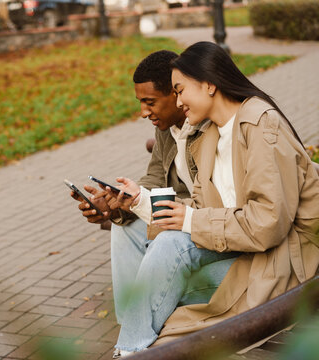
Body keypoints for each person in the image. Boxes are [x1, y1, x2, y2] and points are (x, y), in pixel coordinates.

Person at [105, 41, 319, 356]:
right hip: (241, 252)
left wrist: (190, 220)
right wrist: (142, 201)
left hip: (284, 263)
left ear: (209, 84)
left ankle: (130, 349)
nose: (178, 100)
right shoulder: (210, 136)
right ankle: (132, 347)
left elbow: (267, 225)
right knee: (163, 246)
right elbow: (204, 211)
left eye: (180, 90)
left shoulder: (259, 124)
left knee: (168, 254)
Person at [69, 50, 238, 358]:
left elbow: (216, 201)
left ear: (177, 94)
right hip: (188, 220)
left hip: (214, 229)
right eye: (141, 104)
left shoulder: (208, 127)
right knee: (126, 228)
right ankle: (133, 331)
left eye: (150, 102)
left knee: (166, 240)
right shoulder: (166, 130)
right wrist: (115, 205)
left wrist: (143, 203)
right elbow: (154, 179)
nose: (144, 112)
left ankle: (134, 345)